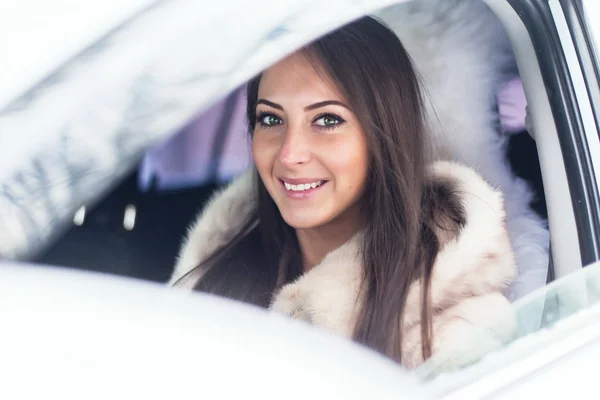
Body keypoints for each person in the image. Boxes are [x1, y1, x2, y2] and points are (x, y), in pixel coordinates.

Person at [168, 16, 517, 370]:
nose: (290, 154)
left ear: (383, 133)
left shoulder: (452, 322)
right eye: (271, 120)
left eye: (327, 120)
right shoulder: (212, 280)